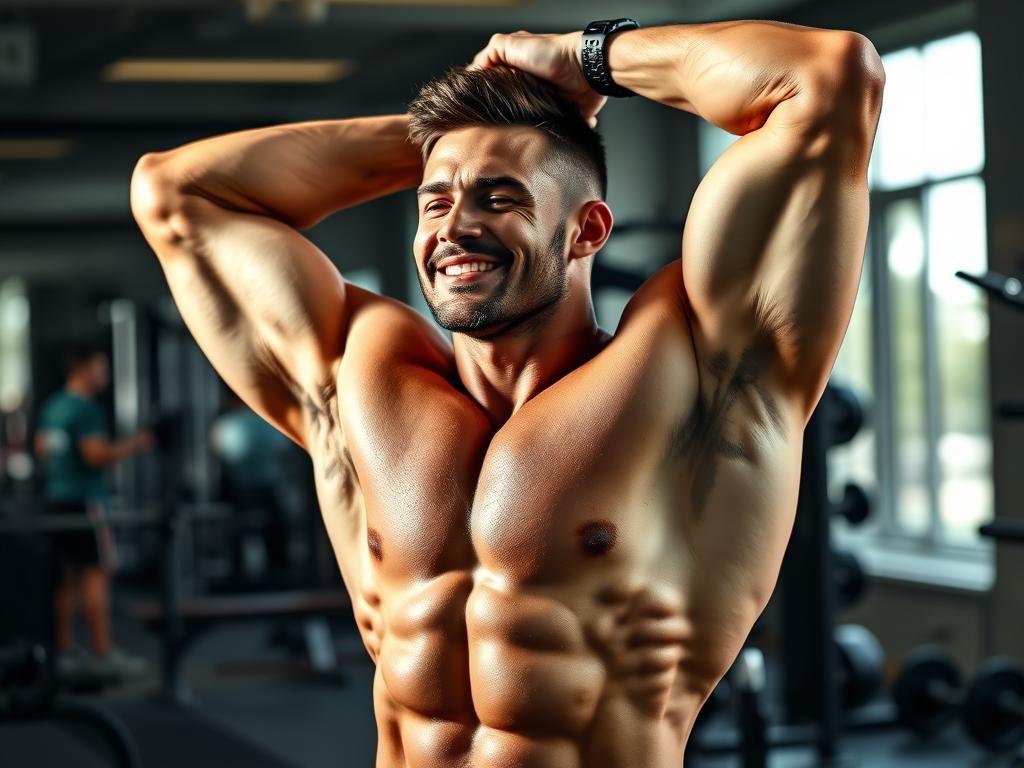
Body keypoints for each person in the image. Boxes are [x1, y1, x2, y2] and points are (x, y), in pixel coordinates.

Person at [130, 18, 884, 765]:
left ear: (586, 231)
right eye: (435, 202)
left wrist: (581, 64)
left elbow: (825, 78)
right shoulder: (360, 381)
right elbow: (176, 194)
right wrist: (466, 124)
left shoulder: (692, 373)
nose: (455, 227)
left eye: (499, 197)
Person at [35, 341, 152, 679]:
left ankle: (66, 649)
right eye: (101, 368)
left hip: (57, 499)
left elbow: (43, 450)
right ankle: (103, 652)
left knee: (67, 578)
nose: (106, 375)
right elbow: (95, 456)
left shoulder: (54, 406)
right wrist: (137, 443)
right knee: (97, 572)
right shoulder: (86, 410)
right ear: (83, 369)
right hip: (86, 501)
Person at [210, 384, 293, 585]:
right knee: (275, 540)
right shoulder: (269, 423)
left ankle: (238, 579)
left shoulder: (224, 425)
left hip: (238, 492)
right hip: (268, 489)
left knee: (237, 537)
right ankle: (277, 580)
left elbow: (218, 455)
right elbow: (283, 451)